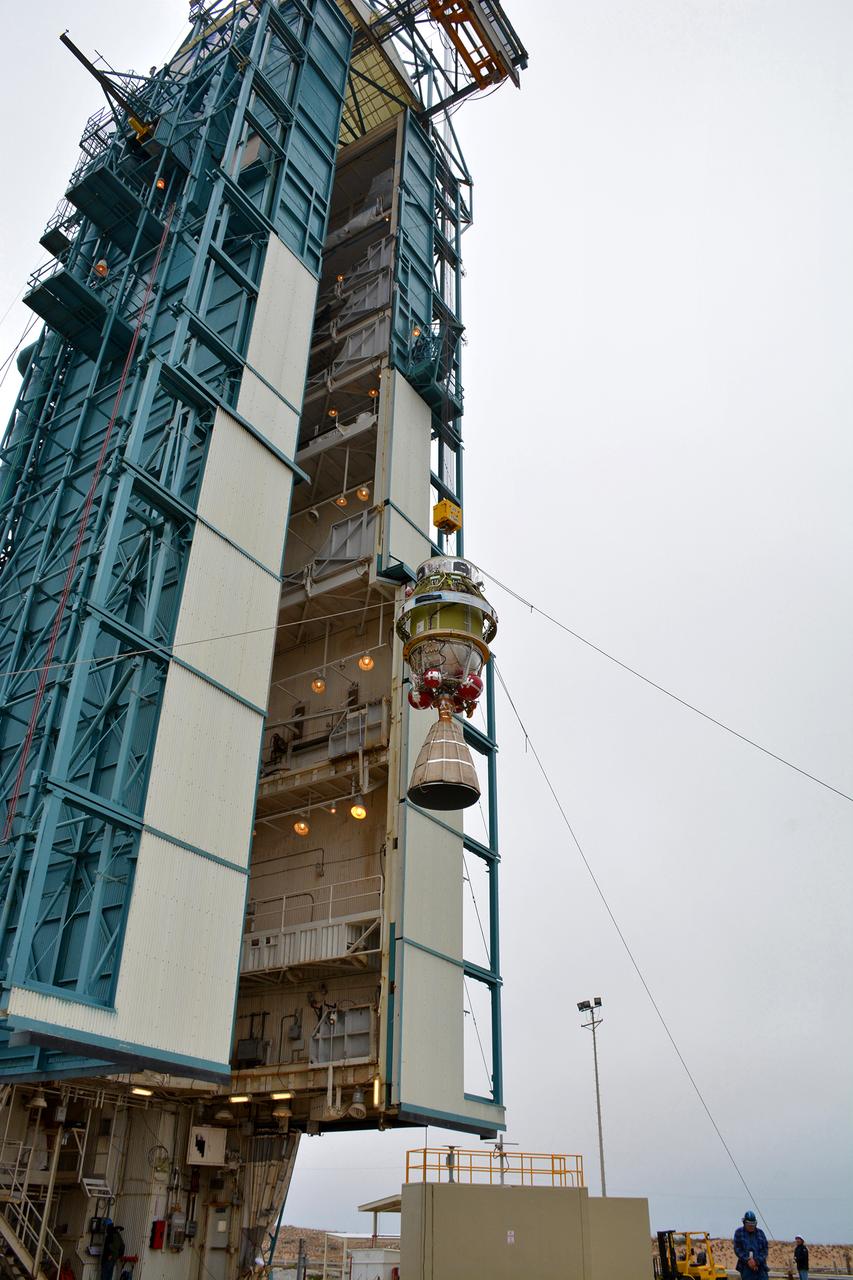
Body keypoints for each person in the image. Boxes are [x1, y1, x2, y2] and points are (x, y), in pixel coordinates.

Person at [734, 1211, 769, 1280]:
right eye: (749, 1224)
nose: (751, 1226)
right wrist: (748, 1260)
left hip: (761, 1267)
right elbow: (737, 1249)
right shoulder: (739, 1232)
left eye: (753, 1224)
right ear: (744, 1223)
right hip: (746, 1268)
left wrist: (756, 1261)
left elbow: (765, 1250)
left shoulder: (761, 1233)